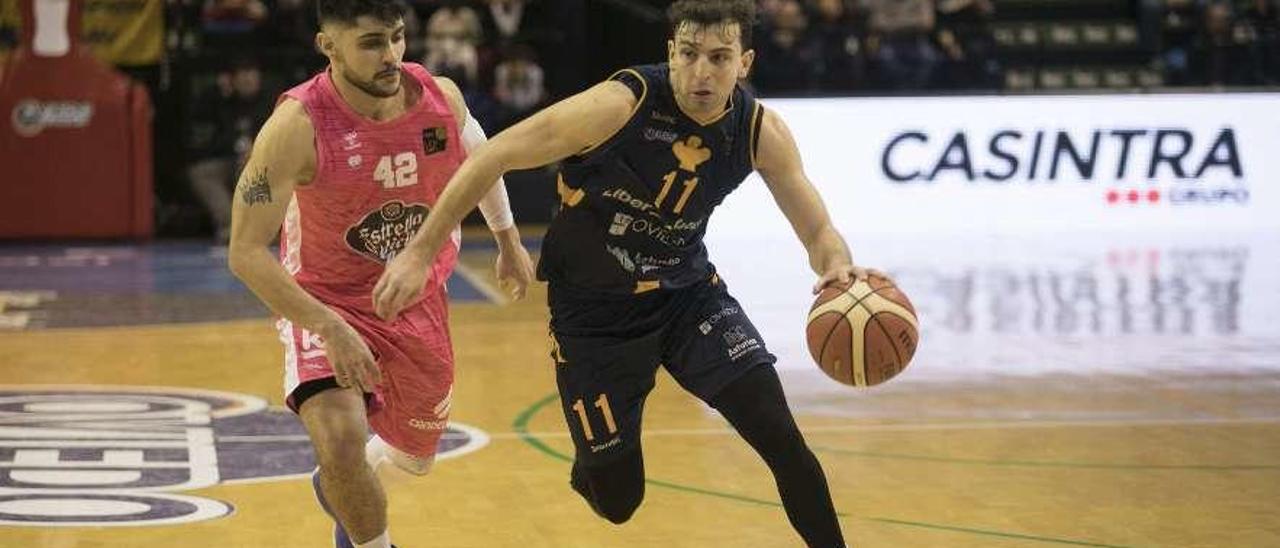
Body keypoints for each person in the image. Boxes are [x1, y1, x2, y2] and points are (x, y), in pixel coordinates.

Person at [373, 1, 881, 546]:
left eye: (719, 57)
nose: (702, 71)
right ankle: (594, 460)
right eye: (688, 54)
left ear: (745, 63)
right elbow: (491, 155)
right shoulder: (621, 104)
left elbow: (820, 232)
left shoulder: (760, 131)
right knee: (618, 501)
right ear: (671, 53)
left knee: (783, 442)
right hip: (593, 318)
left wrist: (839, 269)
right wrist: (422, 251)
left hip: (689, 300)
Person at [226, 0, 535, 547]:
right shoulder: (295, 126)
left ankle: (342, 486)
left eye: (396, 38)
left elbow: (483, 157)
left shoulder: (441, 96)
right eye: (371, 43)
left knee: (411, 460)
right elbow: (245, 252)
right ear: (329, 47)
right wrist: (329, 326)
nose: (390, 55)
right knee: (342, 440)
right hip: (325, 301)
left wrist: (508, 238)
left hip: (416, 301)